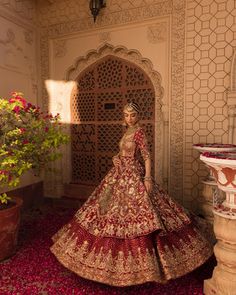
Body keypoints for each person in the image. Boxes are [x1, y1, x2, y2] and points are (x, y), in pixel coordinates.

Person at [50, 102, 213, 287]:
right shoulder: (127, 132)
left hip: (134, 176)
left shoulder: (139, 132)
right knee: (105, 212)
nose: (129, 118)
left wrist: (148, 178)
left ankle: (146, 267)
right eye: (126, 115)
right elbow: (124, 153)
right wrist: (117, 158)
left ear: (138, 116)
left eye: (133, 115)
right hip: (119, 174)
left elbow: (146, 156)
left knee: (143, 215)